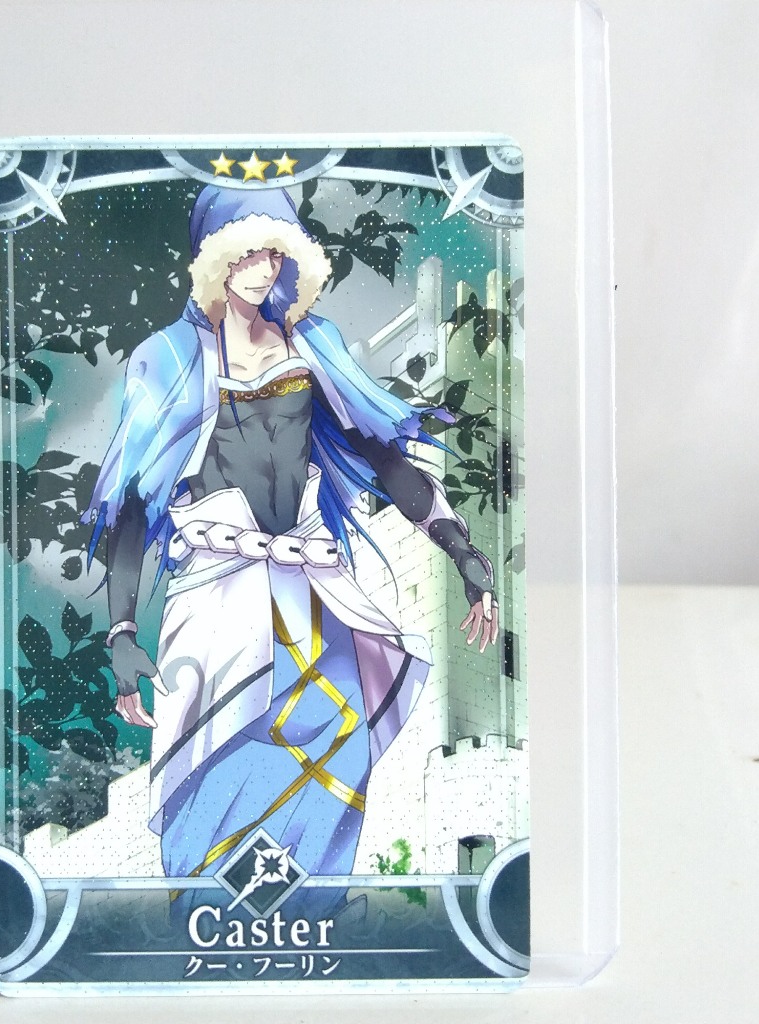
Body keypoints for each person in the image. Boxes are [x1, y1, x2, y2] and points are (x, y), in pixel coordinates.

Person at [85, 183, 498, 894]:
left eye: (274, 253)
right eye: (247, 252)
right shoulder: (169, 358)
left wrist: (462, 549)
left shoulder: (313, 342)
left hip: (312, 584)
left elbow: (382, 457)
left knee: (340, 738)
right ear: (215, 260)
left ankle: (312, 905)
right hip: (217, 588)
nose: (263, 268)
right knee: (216, 759)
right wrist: (122, 628)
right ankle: (211, 910)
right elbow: (132, 502)